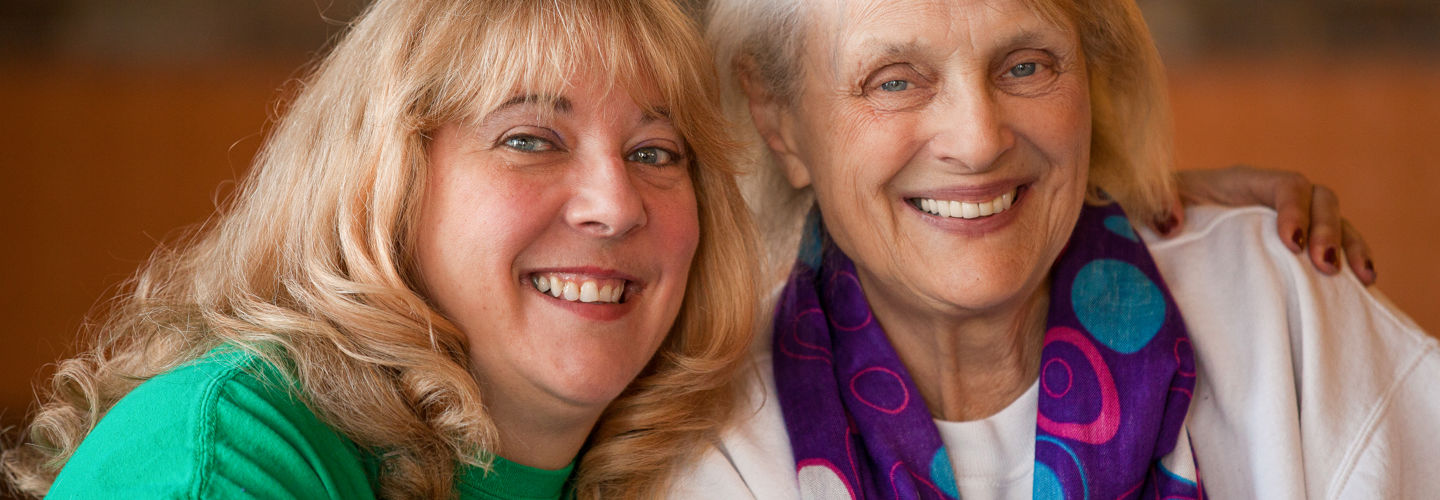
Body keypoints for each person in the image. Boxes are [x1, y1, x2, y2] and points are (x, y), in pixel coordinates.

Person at [675, 0, 1438, 498]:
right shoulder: (718, 435)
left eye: (1026, 66)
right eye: (895, 81)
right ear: (778, 122)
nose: (978, 140)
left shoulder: (1279, 311)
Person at [1, 0, 759, 498]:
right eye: (529, 139)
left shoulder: (700, 469)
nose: (616, 205)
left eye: (657, 152)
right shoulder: (229, 452)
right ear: (385, 183)